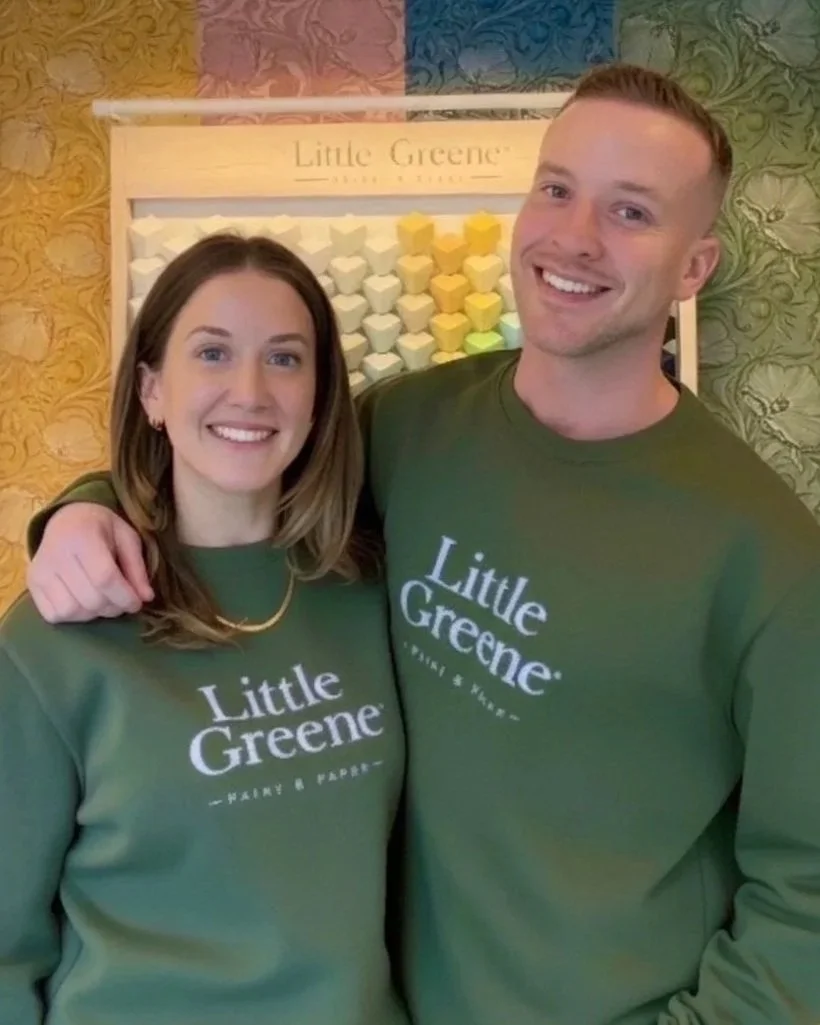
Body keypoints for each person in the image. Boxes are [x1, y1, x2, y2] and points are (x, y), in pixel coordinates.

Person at [22, 64, 820, 1025]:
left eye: (632, 212)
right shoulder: (411, 426)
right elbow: (243, 449)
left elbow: (809, 892)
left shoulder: (768, 553)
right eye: (557, 189)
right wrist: (83, 507)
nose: (574, 237)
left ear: (695, 267)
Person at [0, 233, 408, 1025]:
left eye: (285, 358)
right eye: (213, 354)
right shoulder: (61, 629)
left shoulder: (367, 590)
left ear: (321, 395)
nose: (251, 390)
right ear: (152, 390)